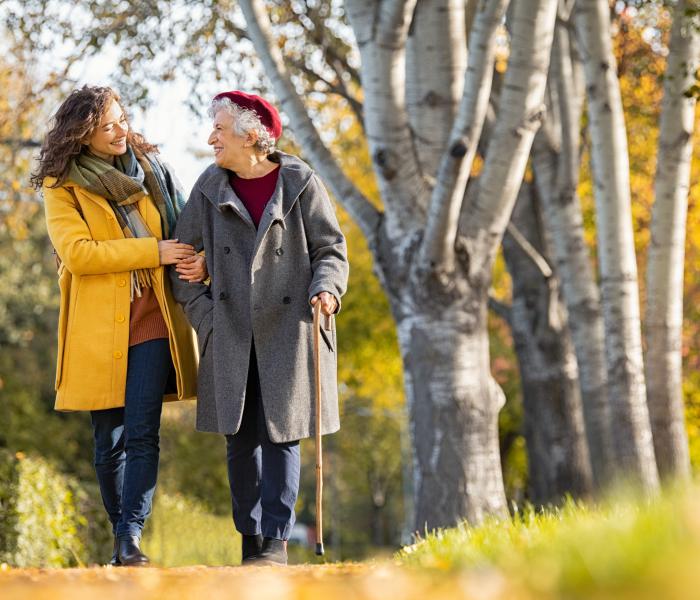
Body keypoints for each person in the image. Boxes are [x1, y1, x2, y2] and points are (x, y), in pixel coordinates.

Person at [169, 90, 348, 566]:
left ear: (251, 137)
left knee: (282, 434)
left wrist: (327, 288)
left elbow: (330, 249)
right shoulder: (209, 185)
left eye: (219, 131)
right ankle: (249, 540)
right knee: (240, 437)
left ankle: (275, 541)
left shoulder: (300, 182)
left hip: (289, 329)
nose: (211, 139)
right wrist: (206, 319)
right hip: (229, 330)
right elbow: (181, 262)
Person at [32, 85, 206, 567]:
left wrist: (199, 258)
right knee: (107, 440)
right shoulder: (61, 185)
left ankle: (130, 539)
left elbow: (186, 229)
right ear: (82, 135)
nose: (120, 131)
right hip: (98, 328)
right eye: (107, 126)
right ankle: (119, 535)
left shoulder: (153, 171)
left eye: (122, 119)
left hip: (153, 317)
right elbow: (80, 254)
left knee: (142, 432)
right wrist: (153, 251)